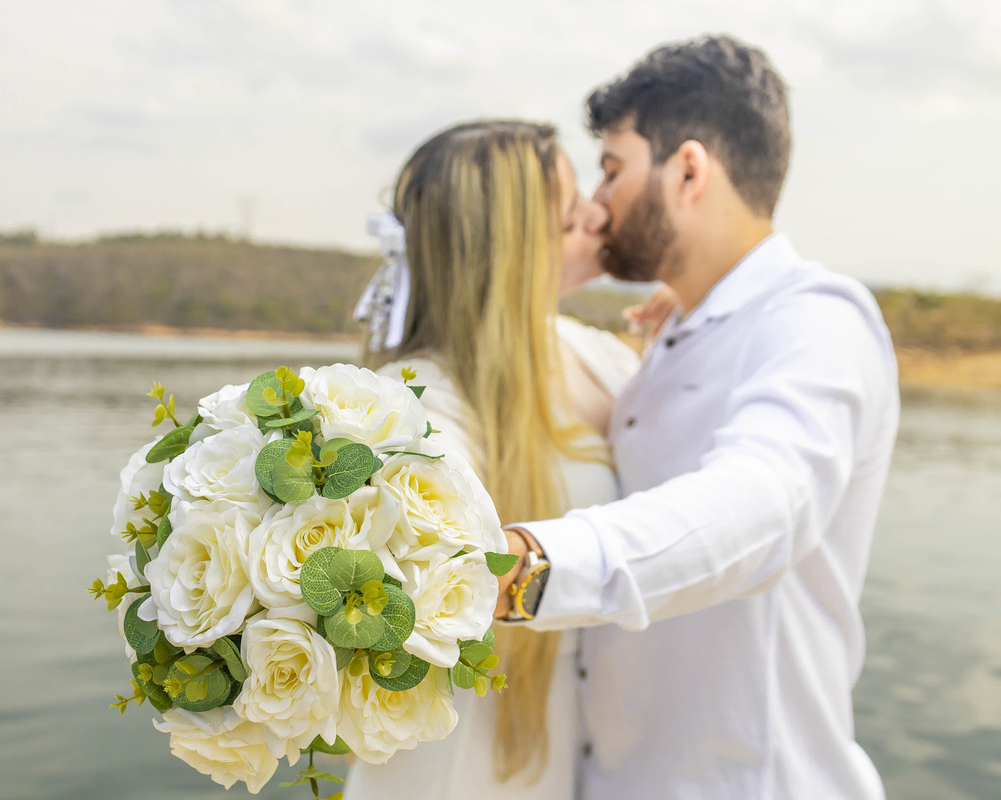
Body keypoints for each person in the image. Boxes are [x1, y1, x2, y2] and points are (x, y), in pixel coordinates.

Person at [495, 35, 900, 799]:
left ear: (687, 171)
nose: (597, 203)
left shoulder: (815, 322)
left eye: (612, 169)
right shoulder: (680, 328)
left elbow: (763, 504)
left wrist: (521, 568)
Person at [344, 120, 646, 798]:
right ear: (512, 247)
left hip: (574, 732)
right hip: (459, 753)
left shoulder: (595, 352)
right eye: (570, 213)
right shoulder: (415, 404)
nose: (597, 215)